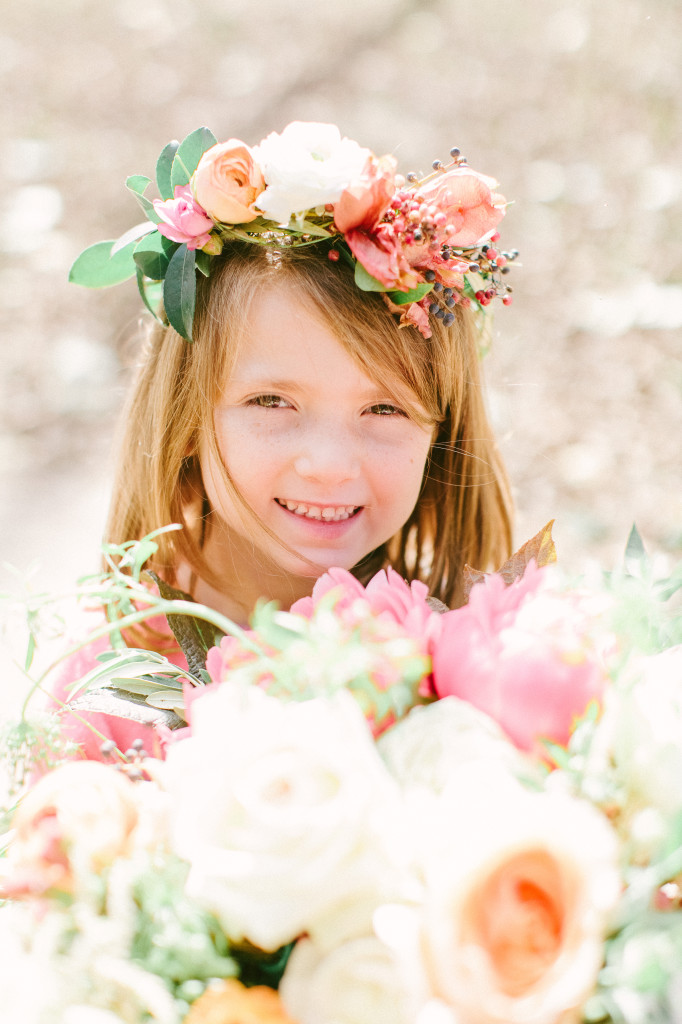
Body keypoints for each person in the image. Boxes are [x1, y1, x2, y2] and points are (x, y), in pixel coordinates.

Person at [52, 121, 515, 759]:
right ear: (189, 414)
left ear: (442, 429)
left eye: (384, 408)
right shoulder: (112, 688)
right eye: (272, 401)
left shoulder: (464, 663)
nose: (328, 464)